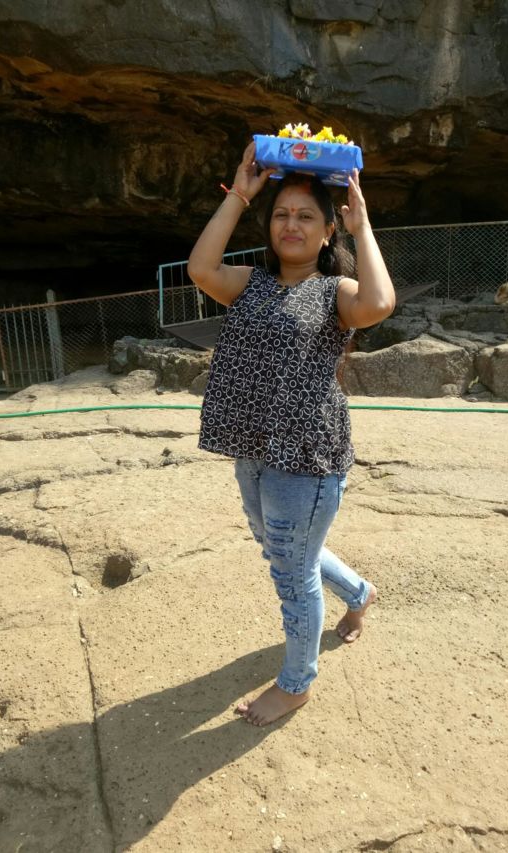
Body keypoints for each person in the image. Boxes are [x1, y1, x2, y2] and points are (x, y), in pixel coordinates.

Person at [187, 141, 395, 726]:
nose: (291, 224)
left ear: (328, 232)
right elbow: (200, 269)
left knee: (291, 570)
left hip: (305, 458)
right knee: (283, 548)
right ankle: (359, 594)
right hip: (252, 448)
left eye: (306, 216)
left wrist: (362, 225)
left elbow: (380, 301)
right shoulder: (249, 283)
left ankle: (297, 684)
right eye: (281, 214)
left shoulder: (335, 294)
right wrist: (240, 194)